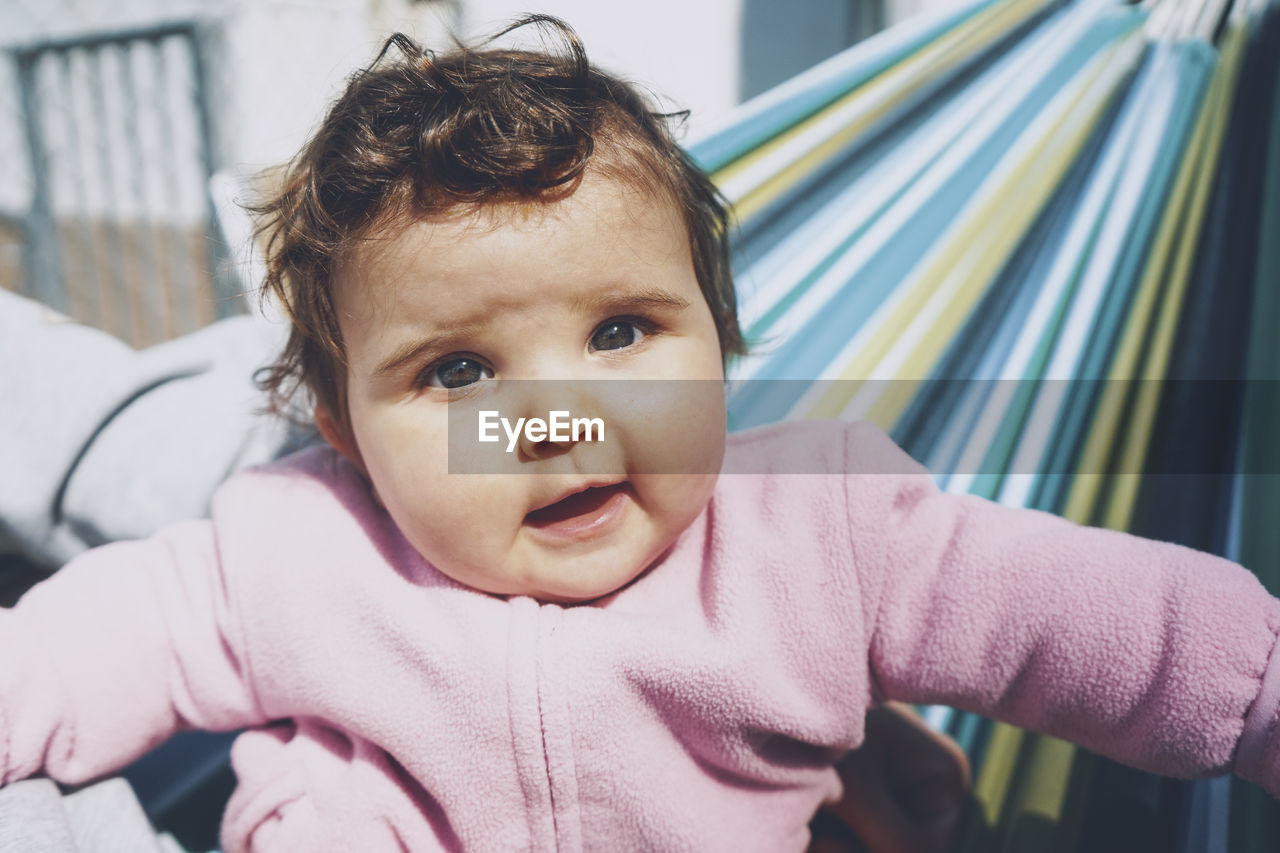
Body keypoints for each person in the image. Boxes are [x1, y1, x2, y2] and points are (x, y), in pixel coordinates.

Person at [2, 15, 1277, 852]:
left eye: (621, 335)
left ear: (715, 341)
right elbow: (87, 645)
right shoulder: (295, 548)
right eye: (457, 371)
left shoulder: (817, 536)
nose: (564, 421)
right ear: (345, 430)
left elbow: (1087, 615)